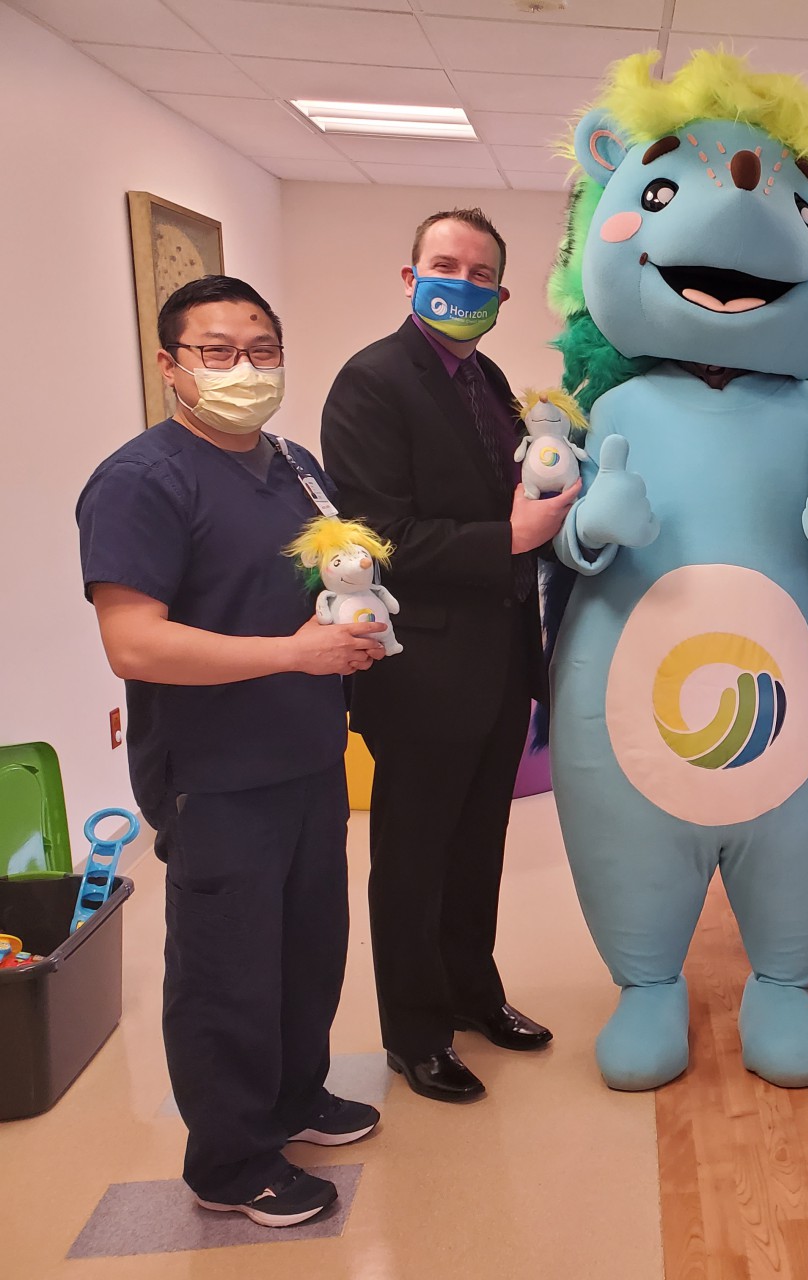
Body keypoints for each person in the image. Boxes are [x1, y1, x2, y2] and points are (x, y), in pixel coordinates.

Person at [77, 275, 385, 1227]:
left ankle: (295, 1098)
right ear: (170, 365)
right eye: (217, 351)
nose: (244, 369)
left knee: (305, 948)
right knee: (226, 968)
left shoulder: (293, 463)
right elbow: (135, 641)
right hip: (214, 771)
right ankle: (228, 1159)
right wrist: (292, 654)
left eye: (262, 349)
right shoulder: (141, 479)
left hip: (304, 753)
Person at [321, 209, 577, 1104]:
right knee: (416, 854)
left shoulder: (490, 378)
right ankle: (416, 1034)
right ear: (409, 275)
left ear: (501, 295)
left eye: (479, 275)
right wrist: (507, 535)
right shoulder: (371, 383)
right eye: (443, 265)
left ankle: (476, 994)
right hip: (421, 668)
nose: (459, 284)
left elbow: (518, 494)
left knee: (479, 844)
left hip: (501, 659)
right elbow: (377, 537)